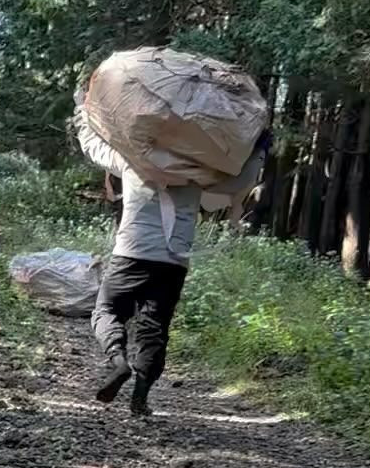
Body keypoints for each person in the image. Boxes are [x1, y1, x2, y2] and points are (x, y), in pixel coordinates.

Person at [75, 97, 267, 419]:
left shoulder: (134, 160)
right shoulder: (199, 169)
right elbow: (240, 181)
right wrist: (260, 150)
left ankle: (118, 360)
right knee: (154, 326)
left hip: (132, 253)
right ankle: (141, 394)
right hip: (174, 261)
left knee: (106, 310)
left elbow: (94, 147)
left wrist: (82, 111)